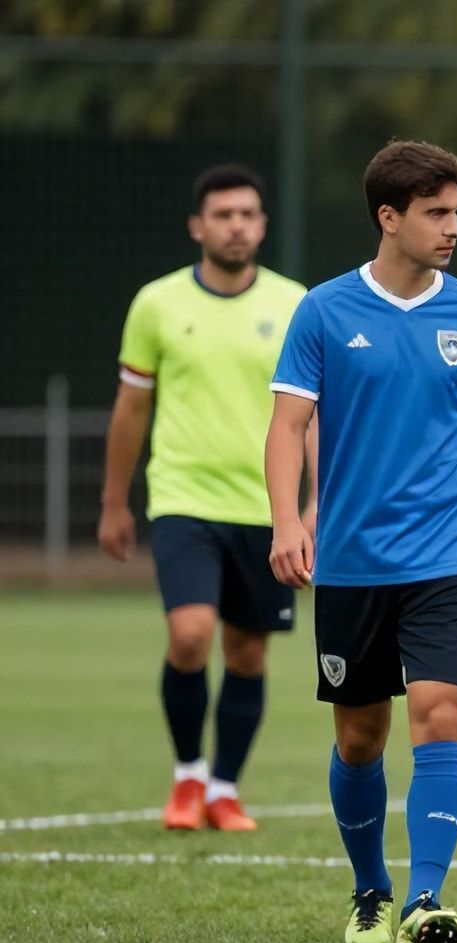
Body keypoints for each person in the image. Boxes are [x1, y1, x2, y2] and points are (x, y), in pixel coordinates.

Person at [264, 140, 457, 943]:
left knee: (438, 717)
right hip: (351, 561)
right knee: (359, 738)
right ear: (390, 217)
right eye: (436, 213)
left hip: (448, 557)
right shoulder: (325, 311)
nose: (453, 228)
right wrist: (286, 520)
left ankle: (424, 898)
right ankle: (370, 890)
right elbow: (287, 425)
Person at [100, 163, 309, 832]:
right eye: (223, 215)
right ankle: (187, 778)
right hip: (183, 496)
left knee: (248, 654)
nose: (237, 225)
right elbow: (132, 410)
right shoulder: (157, 303)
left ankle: (225, 789)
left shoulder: (296, 304)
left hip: (265, 509)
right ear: (198, 226)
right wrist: (113, 502)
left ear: (263, 225)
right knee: (190, 636)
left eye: (248, 214)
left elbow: (315, 416)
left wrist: (313, 507)